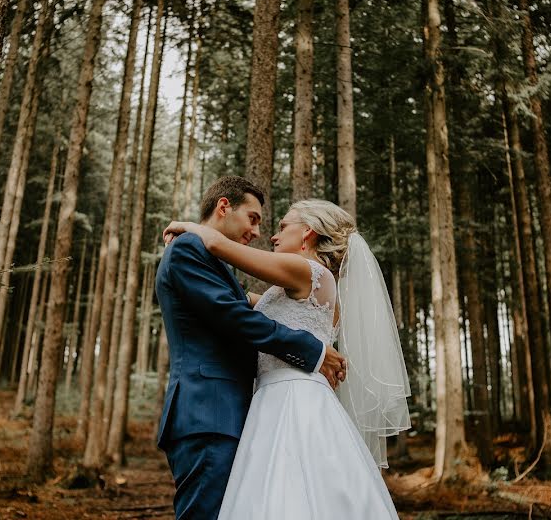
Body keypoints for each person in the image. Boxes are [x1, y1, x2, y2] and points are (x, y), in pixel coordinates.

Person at [163, 198, 412, 519]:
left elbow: (217, 244)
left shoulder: (306, 270)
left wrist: (188, 228)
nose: (273, 236)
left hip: (290, 400)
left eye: (282, 228)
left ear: (307, 232)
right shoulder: (297, 287)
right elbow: (237, 303)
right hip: (280, 397)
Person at [154, 177, 348, 520]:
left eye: (276, 224)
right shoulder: (189, 248)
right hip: (208, 411)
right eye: (253, 218)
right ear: (223, 207)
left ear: (308, 233)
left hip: (250, 412)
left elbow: (240, 305)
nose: (261, 232)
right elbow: (236, 315)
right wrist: (315, 351)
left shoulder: (294, 271)